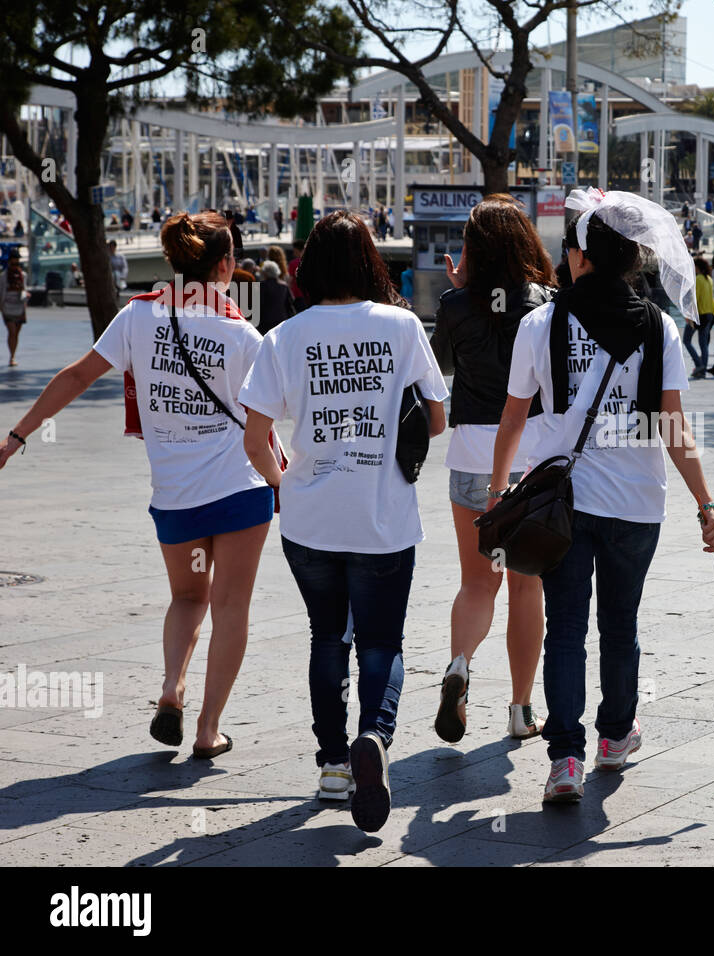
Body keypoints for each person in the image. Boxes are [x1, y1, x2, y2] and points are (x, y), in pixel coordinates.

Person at [1, 211, 276, 759]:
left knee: (187, 595)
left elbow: (77, 375)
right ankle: (207, 730)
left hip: (175, 496)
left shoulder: (138, 318)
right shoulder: (242, 334)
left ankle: (171, 687)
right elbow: (264, 422)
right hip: (239, 491)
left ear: (176, 261)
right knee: (231, 607)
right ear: (225, 266)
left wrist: (16, 436)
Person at [489, 188, 714, 803]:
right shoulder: (659, 328)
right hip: (636, 503)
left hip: (560, 504)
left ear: (584, 256)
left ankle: (564, 758)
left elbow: (513, 417)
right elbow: (673, 426)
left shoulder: (541, 323)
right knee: (621, 624)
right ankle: (615, 736)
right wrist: (706, 503)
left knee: (566, 627)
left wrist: (497, 488)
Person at [239, 211, 449, 832]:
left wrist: (284, 485)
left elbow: (255, 440)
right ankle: (374, 738)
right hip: (382, 516)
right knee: (382, 641)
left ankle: (333, 765)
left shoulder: (284, 336)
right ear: (368, 262)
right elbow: (437, 419)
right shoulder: (403, 326)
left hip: (309, 519)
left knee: (326, 637)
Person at [431, 195, 554, 745]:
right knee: (527, 588)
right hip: (529, 459)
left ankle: (460, 665)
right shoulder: (549, 305)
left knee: (477, 581)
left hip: (469, 457)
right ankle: (521, 709)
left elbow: (444, 367)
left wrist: (460, 295)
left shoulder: (456, 305)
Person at [689, 256, 714, 379]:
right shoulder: (709, 279)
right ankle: (703, 369)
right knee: (703, 343)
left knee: (686, 340)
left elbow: (695, 298)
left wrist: (689, 315)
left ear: (697, 267)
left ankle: (699, 364)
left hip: (699, 315)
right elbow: (710, 298)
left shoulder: (698, 279)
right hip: (709, 313)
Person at [256, 260, 296, 333]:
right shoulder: (284, 286)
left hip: (265, 323)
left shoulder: (261, 286)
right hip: (282, 321)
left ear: (265, 273)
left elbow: (258, 305)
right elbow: (291, 304)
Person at [3, 254, 29, 366]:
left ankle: (13, 354)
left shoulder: (23, 275)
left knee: (16, 334)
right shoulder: (3, 277)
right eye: (13, 264)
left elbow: (24, 288)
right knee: (12, 332)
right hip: (7, 308)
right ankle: (11, 357)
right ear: (9, 263)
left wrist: (25, 297)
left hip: (19, 307)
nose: (15, 266)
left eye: (17, 264)